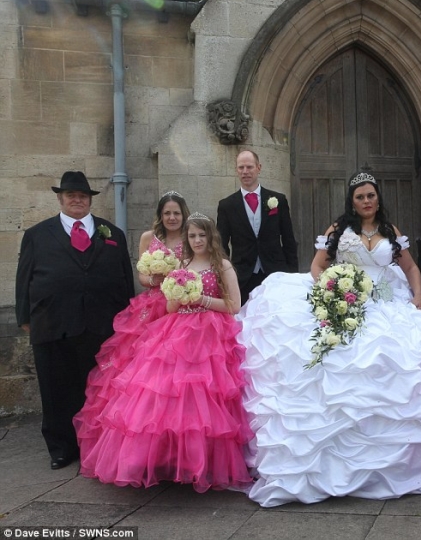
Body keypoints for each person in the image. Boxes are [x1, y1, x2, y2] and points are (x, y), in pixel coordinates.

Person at [239, 171, 421, 507]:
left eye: (371, 196)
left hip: (386, 300)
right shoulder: (339, 229)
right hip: (346, 297)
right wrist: (332, 290)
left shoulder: (391, 232)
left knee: (395, 359)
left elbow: (410, 269)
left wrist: (419, 298)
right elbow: (318, 266)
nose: (367, 201)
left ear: (379, 198)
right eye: (360, 196)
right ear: (352, 201)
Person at [73, 213, 253, 492]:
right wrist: (178, 294)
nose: (197, 240)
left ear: (211, 237)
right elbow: (170, 307)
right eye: (192, 236)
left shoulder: (222, 265)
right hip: (176, 330)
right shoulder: (182, 264)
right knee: (163, 395)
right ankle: (167, 461)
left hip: (211, 333)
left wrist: (201, 298)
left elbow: (234, 305)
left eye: (201, 235)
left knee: (204, 399)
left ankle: (200, 462)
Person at [15, 171, 134, 470]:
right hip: (52, 323)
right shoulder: (37, 235)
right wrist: (24, 317)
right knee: (55, 389)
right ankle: (61, 448)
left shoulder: (112, 234)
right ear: (60, 198)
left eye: (82, 195)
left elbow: (124, 280)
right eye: (71, 195)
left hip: (101, 325)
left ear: (90, 199)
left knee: (98, 388)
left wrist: (128, 319)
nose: (77, 200)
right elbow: (24, 278)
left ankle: (97, 443)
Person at [74, 191, 190, 460]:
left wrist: (179, 281)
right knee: (140, 374)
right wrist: (157, 278)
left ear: (183, 214)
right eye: (167, 213)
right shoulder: (148, 239)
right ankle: (138, 443)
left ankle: (173, 440)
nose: (172, 217)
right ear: (160, 216)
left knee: (174, 374)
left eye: (176, 213)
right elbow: (141, 275)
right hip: (150, 308)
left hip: (179, 307)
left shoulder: (190, 237)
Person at [217, 149, 299, 304]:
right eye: (241, 168)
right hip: (242, 276)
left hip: (275, 273)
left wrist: (291, 274)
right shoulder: (227, 205)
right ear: (236, 170)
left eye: (249, 167)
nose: (245, 172)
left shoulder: (278, 200)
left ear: (258, 168)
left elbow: (288, 239)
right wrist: (226, 275)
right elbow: (221, 246)